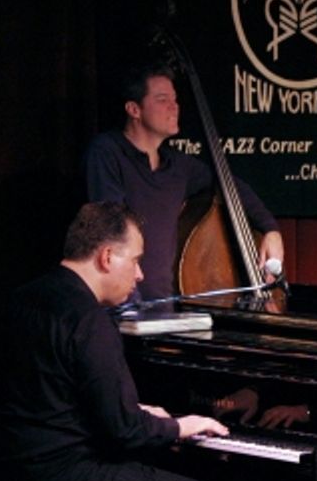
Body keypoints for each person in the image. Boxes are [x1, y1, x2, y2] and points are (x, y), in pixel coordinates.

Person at [0, 202, 231, 481]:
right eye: (136, 260)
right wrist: (179, 426)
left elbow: (42, 394)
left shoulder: (20, 299)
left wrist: (135, 411)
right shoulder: (89, 321)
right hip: (58, 477)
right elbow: (125, 433)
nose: (140, 274)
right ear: (107, 257)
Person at [83, 61, 284, 302]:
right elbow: (111, 231)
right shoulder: (107, 152)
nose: (174, 107)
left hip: (164, 309)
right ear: (134, 110)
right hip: (122, 309)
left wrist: (271, 229)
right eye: (162, 99)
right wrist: (131, 307)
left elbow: (232, 186)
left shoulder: (179, 167)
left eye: (175, 100)